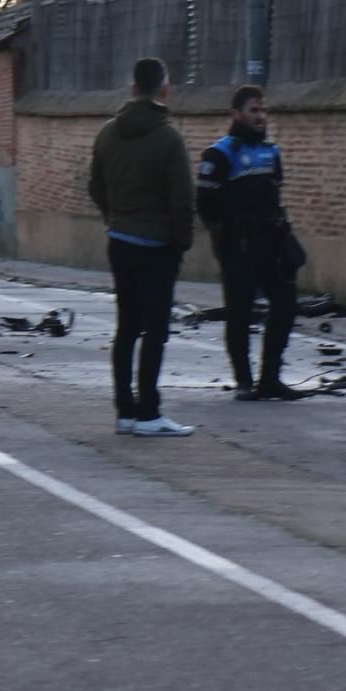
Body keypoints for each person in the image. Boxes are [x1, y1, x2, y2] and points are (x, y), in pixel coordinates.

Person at [88, 58, 195, 437]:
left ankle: (125, 411)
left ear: (133, 90)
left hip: (120, 240)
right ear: (164, 91)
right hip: (157, 245)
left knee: (127, 328)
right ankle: (150, 411)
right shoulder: (168, 138)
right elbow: (182, 197)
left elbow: (95, 186)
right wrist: (181, 240)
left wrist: (114, 217)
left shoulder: (106, 134)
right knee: (156, 330)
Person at [197, 85, 308, 401]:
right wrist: (225, 239)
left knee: (285, 307)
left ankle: (270, 378)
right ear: (237, 114)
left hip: (273, 243)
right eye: (253, 110)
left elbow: (274, 192)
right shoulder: (219, 154)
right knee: (240, 313)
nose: (260, 116)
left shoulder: (271, 152)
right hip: (239, 246)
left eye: (263, 110)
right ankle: (244, 381)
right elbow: (205, 205)